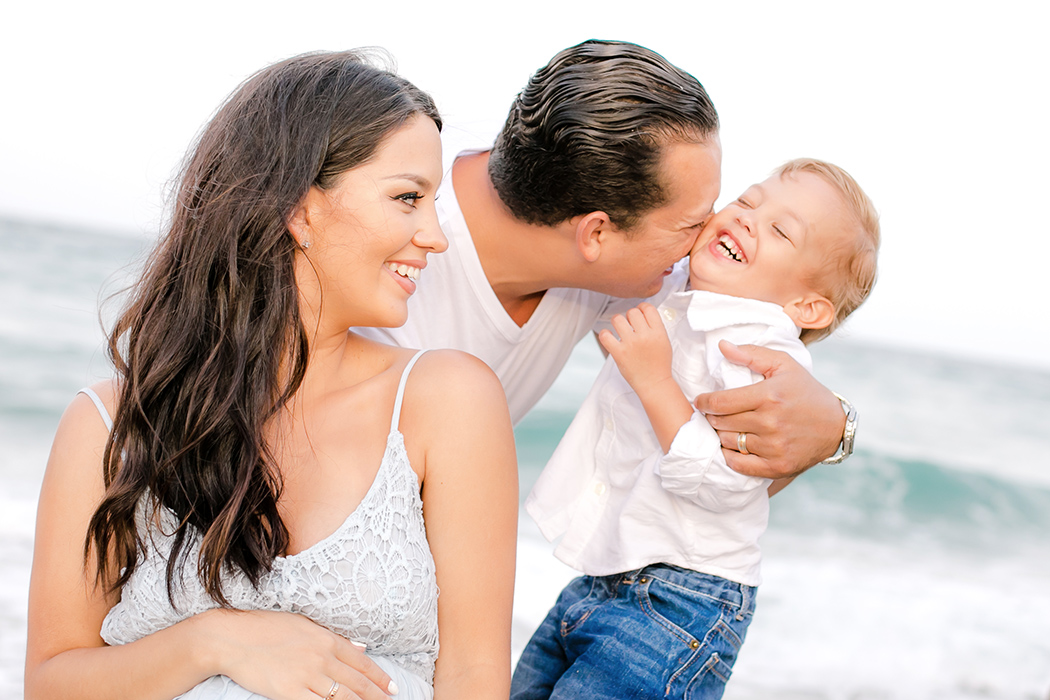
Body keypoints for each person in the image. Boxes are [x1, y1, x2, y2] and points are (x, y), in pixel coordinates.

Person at [25, 51, 518, 700]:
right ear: (298, 208)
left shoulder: (446, 402)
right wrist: (215, 640)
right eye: (407, 198)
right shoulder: (111, 426)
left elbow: (474, 677)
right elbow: (51, 682)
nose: (434, 236)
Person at [358, 39, 855, 481]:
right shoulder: (381, 252)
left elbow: (737, 376)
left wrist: (834, 425)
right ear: (596, 233)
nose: (704, 238)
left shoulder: (582, 191)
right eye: (689, 225)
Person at [510, 158, 880, 699]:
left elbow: (725, 482)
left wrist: (654, 380)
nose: (748, 219)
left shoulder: (758, 354)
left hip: (681, 604)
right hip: (607, 575)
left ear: (806, 306)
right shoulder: (682, 292)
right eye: (748, 201)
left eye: (780, 230)